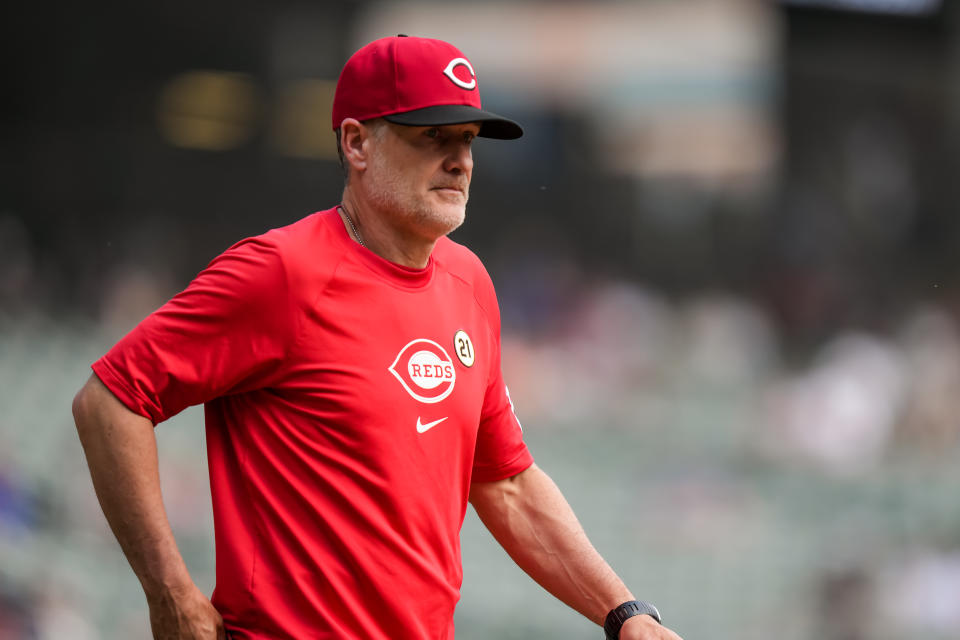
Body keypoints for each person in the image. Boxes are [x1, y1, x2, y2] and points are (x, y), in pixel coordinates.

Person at [72, 35, 684, 640]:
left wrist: (623, 612)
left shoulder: (467, 281)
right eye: (432, 136)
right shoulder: (282, 272)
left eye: (467, 140)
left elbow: (505, 481)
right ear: (357, 142)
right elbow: (110, 400)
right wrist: (171, 594)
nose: (460, 160)